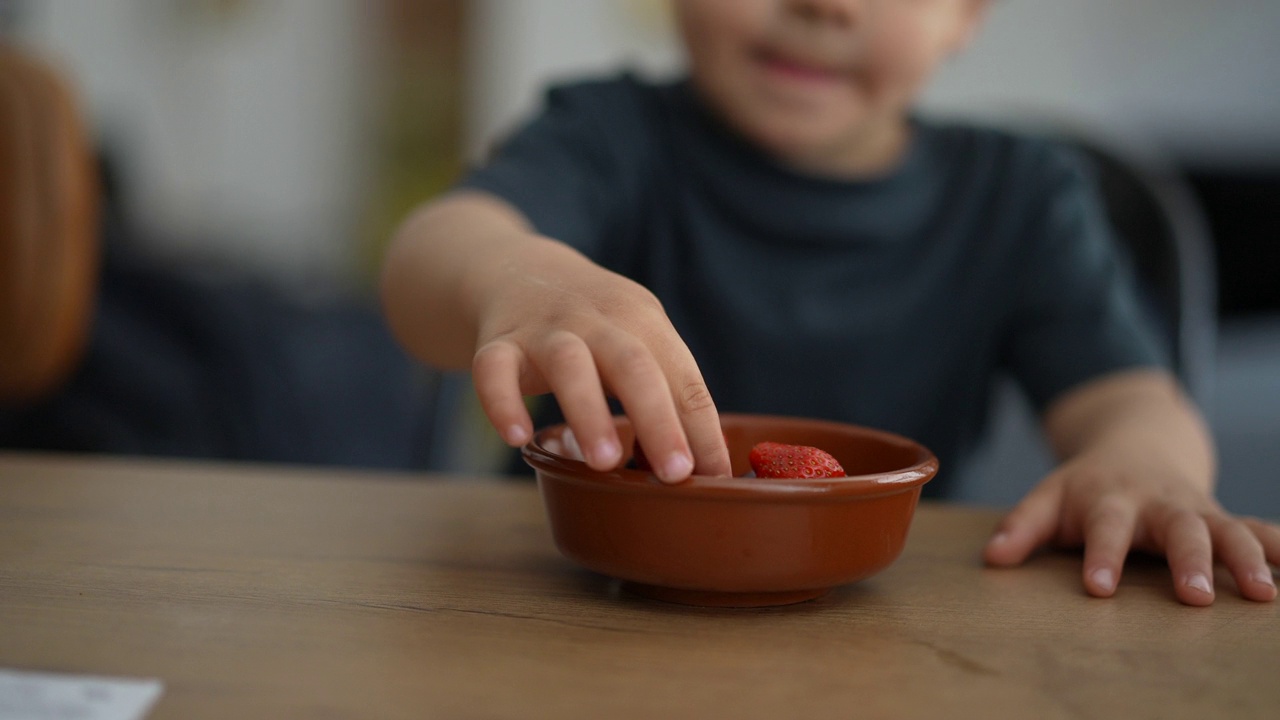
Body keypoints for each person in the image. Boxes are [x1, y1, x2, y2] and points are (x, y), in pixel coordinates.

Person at [380, 0, 1278, 605]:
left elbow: (1129, 395)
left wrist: (1146, 465)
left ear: (966, 13)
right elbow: (430, 257)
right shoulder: (605, 136)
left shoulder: (1022, 197)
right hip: (566, 604)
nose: (823, 3)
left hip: (868, 625)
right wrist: (509, 271)